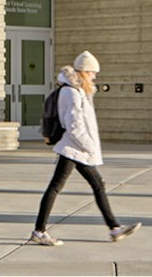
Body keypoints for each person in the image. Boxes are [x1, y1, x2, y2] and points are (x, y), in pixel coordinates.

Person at [28, 52, 140, 246]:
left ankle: (114, 228)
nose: (95, 76)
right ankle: (39, 231)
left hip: (76, 148)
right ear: (83, 71)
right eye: (92, 72)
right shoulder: (71, 92)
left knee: (95, 184)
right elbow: (74, 125)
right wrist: (88, 146)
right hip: (74, 148)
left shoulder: (78, 91)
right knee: (57, 187)